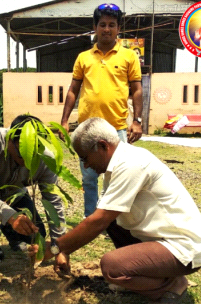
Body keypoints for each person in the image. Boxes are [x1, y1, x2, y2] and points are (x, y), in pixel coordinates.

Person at [32, 117, 201, 304]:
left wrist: (56, 247)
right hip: (161, 239)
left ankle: (173, 285)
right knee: (111, 218)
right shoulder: (118, 164)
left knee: (112, 268)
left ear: (102, 146)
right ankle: (149, 275)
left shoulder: (132, 164)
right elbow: (101, 218)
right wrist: (66, 249)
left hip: (182, 247)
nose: (86, 166)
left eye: (85, 158)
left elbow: (97, 222)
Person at [0, 114, 68, 277]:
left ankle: (15, 238)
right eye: (21, 154)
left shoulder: (46, 159)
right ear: (9, 138)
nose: (26, 160)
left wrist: (59, 247)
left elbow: (53, 201)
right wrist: (10, 216)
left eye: (32, 155)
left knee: (37, 234)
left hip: (14, 190)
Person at [60, 3, 143, 218]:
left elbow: (137, 90)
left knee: (116, 177)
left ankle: (111, 221)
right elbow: (73, 90)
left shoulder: (129, 57)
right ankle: (90, 218)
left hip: (117, 129)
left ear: (118, 28)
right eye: (103, 24)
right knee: (88, 178)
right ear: (95, 27)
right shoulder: (83, 58)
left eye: (112, 25)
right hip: (87, 129)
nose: (107, 29)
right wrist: (64, 121)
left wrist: (138, 121)